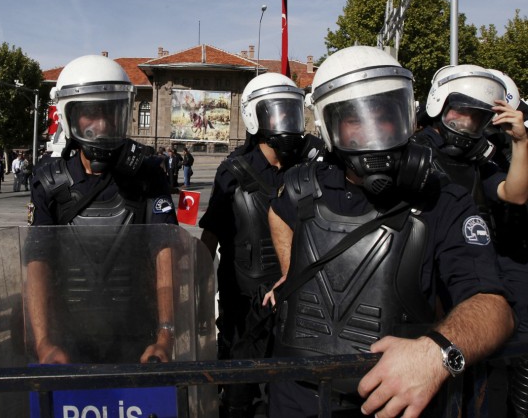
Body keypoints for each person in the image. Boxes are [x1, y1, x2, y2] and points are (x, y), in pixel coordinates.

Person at [265, 46, 514, 418]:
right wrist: (291, 270)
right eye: (357, 120)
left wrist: (436, 353)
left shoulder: (442, 198)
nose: (375, 131)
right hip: (297, 394)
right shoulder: (304, 185)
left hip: (394, 399)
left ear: (406, 116)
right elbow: (277, 213)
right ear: (331, 126)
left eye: (386, 117)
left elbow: (494, 308)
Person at [25, 54, 178, 365]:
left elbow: (167, 255)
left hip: (138, 336)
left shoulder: (148, 177)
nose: (103, 124)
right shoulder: (50, 181)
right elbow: (36, 263)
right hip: (68, 338)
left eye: (111, 112)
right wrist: (43, 343)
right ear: (70, 116)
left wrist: (165, 337)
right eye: (91, 113)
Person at [198, 72, 323, 418]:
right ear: (256, 116)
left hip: (298, 307)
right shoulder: (232, 173)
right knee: (239, 396)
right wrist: (194, 297)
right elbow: (209, 237)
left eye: (291, 111)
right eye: (277, 112)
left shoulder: (311, 169)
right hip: (244, 311)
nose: (286, 121)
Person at [412, 65, 528, 416]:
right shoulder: (415, 152)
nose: (465, 124)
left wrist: (521, 141)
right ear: (439, 106)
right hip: (421, 283)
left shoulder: (479, 161)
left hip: (466, 279)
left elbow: (516, 193)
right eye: (459, 113)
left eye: (476, 118)